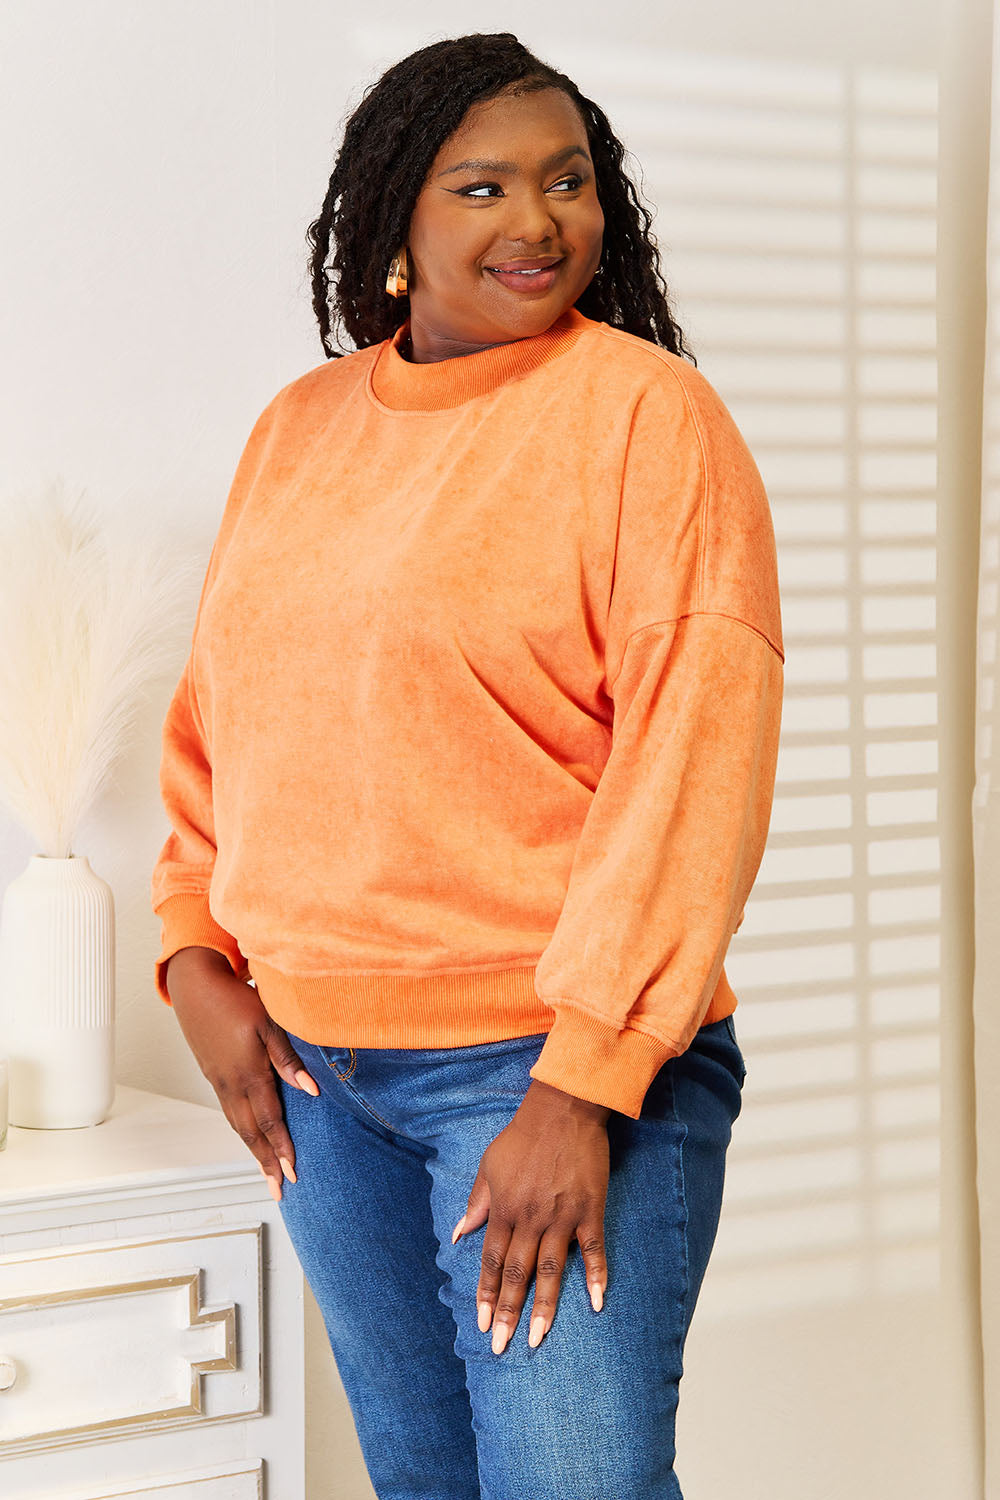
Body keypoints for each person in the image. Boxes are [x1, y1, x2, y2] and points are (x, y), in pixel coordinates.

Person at [151, 31, 783, 1500]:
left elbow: (697, 755)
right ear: (395, 231)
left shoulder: (644, 417)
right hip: (318, 1080)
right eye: (483, 187)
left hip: (543, 1071)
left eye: (568, 183)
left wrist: (583, 1089)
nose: (539, 222)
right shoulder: (297, 433)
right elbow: (223, 718)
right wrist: (197, 955)